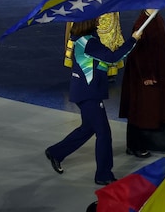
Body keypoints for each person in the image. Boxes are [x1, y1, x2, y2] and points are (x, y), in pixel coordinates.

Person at [45, 18, 142, 186]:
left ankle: (55, 152)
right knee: (103, 133)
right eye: (96, 17)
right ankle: (103, 175)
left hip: (83, 91)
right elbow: (113, 58)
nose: (99, 19)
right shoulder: (90, 43)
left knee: (88, 128)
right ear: (89, 22)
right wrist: (133, 40)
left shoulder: (83, 38)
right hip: (89, 94)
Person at [119, 9, 165, 156]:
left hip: (160, 73)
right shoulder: (141, 23)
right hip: (147, 76)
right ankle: (136, 145)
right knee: (143, 110)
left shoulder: (156, 18)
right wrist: (147, 75)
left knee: (158, 108)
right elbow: (138, 52)